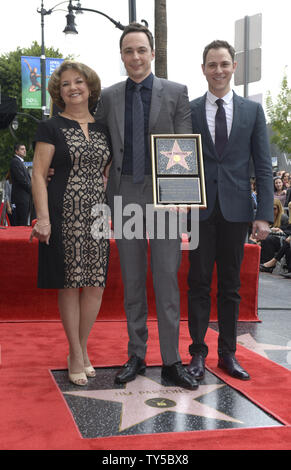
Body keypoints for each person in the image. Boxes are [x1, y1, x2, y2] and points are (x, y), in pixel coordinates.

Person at [95, 22, 198, 390]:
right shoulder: (108, 97)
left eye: (141, 50)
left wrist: (181, 199)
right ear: (122, 56)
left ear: (152, 53)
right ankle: (136, 354)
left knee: (167, 280)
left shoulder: (176, 92)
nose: (135, 57)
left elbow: (184, 146)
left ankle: (171, 360)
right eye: (128, 51)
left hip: (165, 201)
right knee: (134, 281)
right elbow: (97, 143)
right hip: (124, 198)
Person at [187, 40, 274, 381]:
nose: (219, 70)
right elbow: (179, 159)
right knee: (197, 283)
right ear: (204, 68)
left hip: (238, 211)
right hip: (199, 211)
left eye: (224, 63)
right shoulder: (189, 109)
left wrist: (263, 213)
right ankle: (196, 354)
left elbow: (263, 165)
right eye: (212, 64)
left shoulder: (252, 112)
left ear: (234, 66)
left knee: (231, 286)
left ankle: (227, 354)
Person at [30, 60, 112, 386]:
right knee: (69, 283)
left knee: (94, 284)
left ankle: (82, 346)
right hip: (62, 212)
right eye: (66, 84)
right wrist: (44, 219)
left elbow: (109, 171)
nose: (73, 87)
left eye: (79, 81)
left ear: (90, 87)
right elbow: (38, 173)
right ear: (58, 91)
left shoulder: (105, 128)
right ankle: (76, 353)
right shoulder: (51, 127)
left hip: (96, 215)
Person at [259, 198, 289, 268]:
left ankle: (267, 265)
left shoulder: (283, 217)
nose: (272, 211)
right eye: (271, 208)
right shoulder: (267, 217)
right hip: (269, 238)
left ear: (279, 209)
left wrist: (279, 230)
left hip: (280, 240)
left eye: (274, 209)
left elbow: (286, 232)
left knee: (268, 239)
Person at [10, 143, 32, 226]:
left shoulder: (20, 162)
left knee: (24, 222)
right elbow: (21, 180)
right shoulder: (15, 162)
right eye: (22, 149)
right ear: (16, 151)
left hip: (25, 198)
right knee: (21, 223)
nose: (25, 150)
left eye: (25, 149)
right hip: (20, 199)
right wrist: (33, 190)